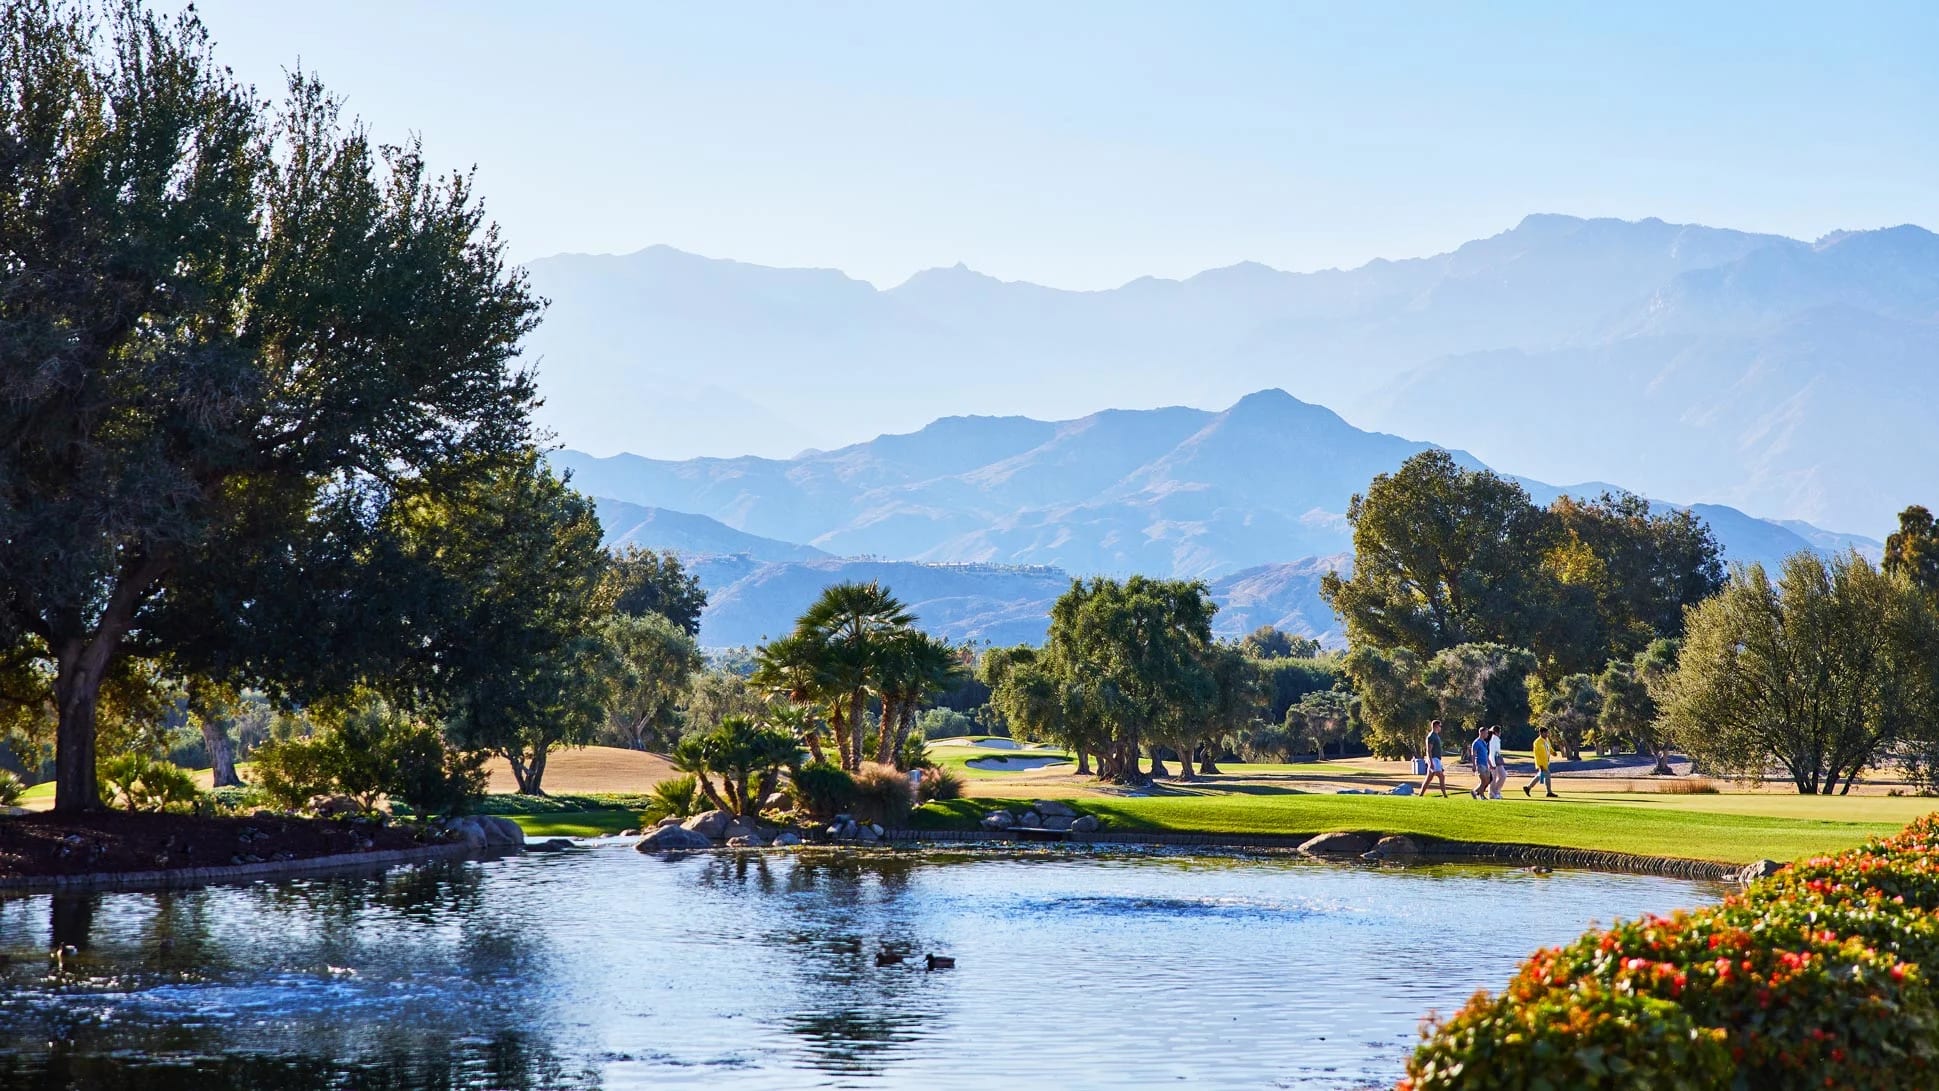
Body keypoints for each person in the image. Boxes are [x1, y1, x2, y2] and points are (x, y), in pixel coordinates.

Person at [1523, 725, 1558, 798]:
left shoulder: (1546, 740)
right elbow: (1537, 755)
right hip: (1541, 763)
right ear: (1541, 733)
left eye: (1547, 733)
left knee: (1541, 776)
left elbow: (1549, 748)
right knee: (1545, 775)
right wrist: (1540, 765)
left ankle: (1528, 788)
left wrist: (1553, 752)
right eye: (1545, 733)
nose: (1547, 734)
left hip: (1546, 762)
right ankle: (1548, 792)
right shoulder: (1537, 742)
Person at [1419, 719, 1449, 798]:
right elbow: (1429, 750)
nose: (1440, 727)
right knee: (1441, 777)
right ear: (1436, 726)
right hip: (1434, 759)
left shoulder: (1436, 736)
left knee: (1429, 778)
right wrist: (1431, 762)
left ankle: (1421, 795)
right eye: (1440, 726)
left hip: (1437, 759)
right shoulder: (1431, 736)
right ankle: (1445, 795)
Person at [1470, 728, 1492, 799]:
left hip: (1485, 764)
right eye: (1486, 733)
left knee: (1487, 780)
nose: (1487, 734)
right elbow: (1473, 754)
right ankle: (1482, 795)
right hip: (1480, 764)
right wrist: (1474, 765)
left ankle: (1474, 791)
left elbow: (1486, 755)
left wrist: (1490, 764)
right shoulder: (1476, 742)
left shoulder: (1484, 742)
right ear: (1481, 733)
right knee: (1483, 780)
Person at [1487, 726, 1505, 799]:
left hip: (1498, 759)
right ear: (1497, 732)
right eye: (1500, 731)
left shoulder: (1497, 739)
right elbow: (1491, 752)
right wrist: (1492, 764)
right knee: (1493, 778)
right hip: (1493, 760)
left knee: (1503, 775)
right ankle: (1491, 793)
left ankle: (1496, 792)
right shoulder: (1492, 739)